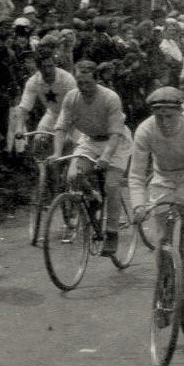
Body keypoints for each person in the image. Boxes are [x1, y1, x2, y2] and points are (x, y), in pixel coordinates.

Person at [127, 86, 184, 265]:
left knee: (183, 202)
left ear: (180, 111)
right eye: (159, 117)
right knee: (161, 238)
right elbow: (136, 174)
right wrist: (138, 205)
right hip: (162, 175)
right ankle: (165, 285)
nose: (164, 122)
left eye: (169, 116)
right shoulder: (145, 130)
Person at [51, 60, 132, 256]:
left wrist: (106, 157)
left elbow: (115, 133)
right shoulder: (71, 98)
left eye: (88, 82)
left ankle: (112, 232)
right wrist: (57, 152)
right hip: (90, 140)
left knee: (111, 185)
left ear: (97, 80)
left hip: (116, 141)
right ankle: (92, 197)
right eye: (80, 83)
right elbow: (61, 127)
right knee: (72, 177)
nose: (84, 87)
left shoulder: (110, 97)